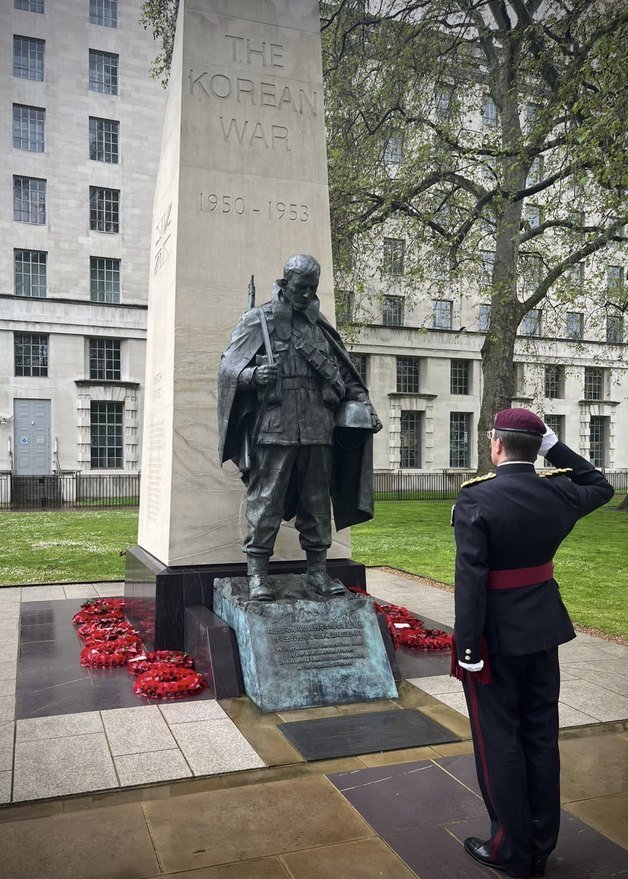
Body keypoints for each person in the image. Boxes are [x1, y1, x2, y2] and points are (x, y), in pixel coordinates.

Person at [452, 408, 614, 879]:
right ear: (535, 447)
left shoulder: (476, 498)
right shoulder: (560, 491)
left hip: (496, 638)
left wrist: (468, 647)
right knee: (541, 736)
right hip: (543, 629)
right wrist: (554, 448)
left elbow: (470, 582)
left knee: (498, 741)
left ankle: (510, 849)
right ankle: (541, 843)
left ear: (497, 446)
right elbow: (601, 484)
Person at [218, 254, 381, 601]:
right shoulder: (257, 320)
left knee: (317, 503)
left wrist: (363, 405)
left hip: (318, 429)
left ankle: (318, 573)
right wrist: (252, 375)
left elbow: (346, 377)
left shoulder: (319, 328)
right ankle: (258, 574)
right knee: (266, 501)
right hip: (275, 428)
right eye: (300, 288)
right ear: (285, 283)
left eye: (312, 289)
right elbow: (227, 370)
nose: (307, 295)